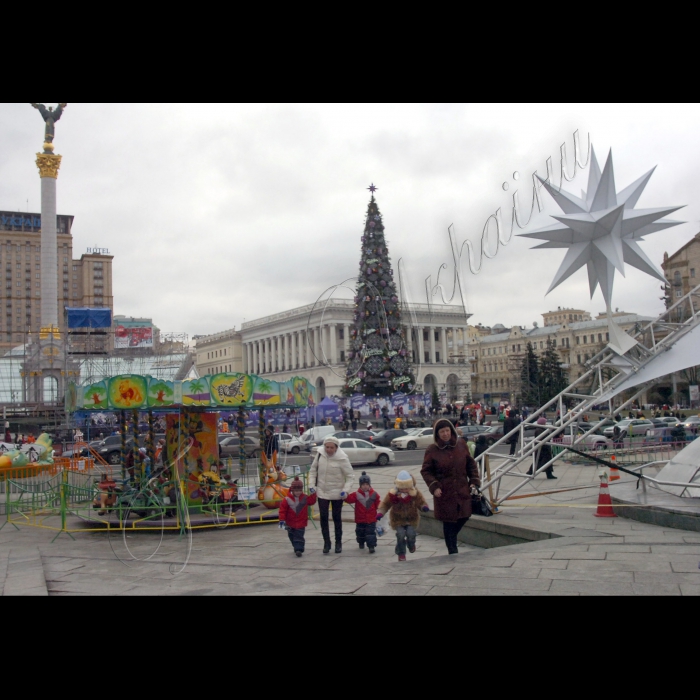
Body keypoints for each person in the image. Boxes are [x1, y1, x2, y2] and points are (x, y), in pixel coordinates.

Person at [421, 419, 481, 555]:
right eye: (442, 431)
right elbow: (426, 471)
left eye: (447, 430)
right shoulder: (432, 449)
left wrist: (474, 481)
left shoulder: (461, 444)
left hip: (462, 490)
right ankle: (452, 551)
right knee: (448, 522)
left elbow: (470, 464)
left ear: (452, 430)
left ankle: (452, 540)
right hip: (444, 492)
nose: (445, 434)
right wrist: (434, 486)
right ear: (437, 434)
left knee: (465, 515)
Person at [309, 436, 354, 554]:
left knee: (336, 518)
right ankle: (326, 543)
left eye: (331, 448)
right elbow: (313, 470)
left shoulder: (342, 458)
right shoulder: (319, 455)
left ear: (336, 448)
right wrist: (311, 485)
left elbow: (350, 476)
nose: (328, 450)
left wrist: (346, 490)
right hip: (322, 492)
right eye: (327, 447)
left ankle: (338, 542)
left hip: (337, 493)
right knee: (323, 518)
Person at [377, 471, 429, 562]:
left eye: (406, 488)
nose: (404, 491)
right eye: (402, 488)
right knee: (400, 535)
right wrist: (380, 513)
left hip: (411, 518)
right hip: (398, 519)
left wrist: (423, 507)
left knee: (411, 533)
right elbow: (385, 504)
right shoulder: (393, 495)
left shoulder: (414, 493)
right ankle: (401, 553)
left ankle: (411, 544)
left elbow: (420, 502)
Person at [278, 477, 318, 558]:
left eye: (300, 490)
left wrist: (313, 494)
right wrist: (282, 520)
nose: (298, 492)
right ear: (292, 490)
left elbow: (312, 501)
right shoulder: (287, 499)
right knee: (291, 536)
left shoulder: (305, 498)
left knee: (299, 536)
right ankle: (296, 547)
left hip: (301, 522)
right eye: (296, 491)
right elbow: (282, 511)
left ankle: (299, 549)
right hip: (290, 523)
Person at [344, 472, 380, 554]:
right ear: (360, 485)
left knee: (371, 533)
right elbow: (349, 499)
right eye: (363, 484)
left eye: (367, 484)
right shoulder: (356, 494)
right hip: (360, 518)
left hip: (371, 518)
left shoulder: (374, 494)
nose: (365, 486)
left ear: (369, 484)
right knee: (360, 532)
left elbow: (378, 503)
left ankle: (371, 546)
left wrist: (381, 511)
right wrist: (344, 496)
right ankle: (361, 542)